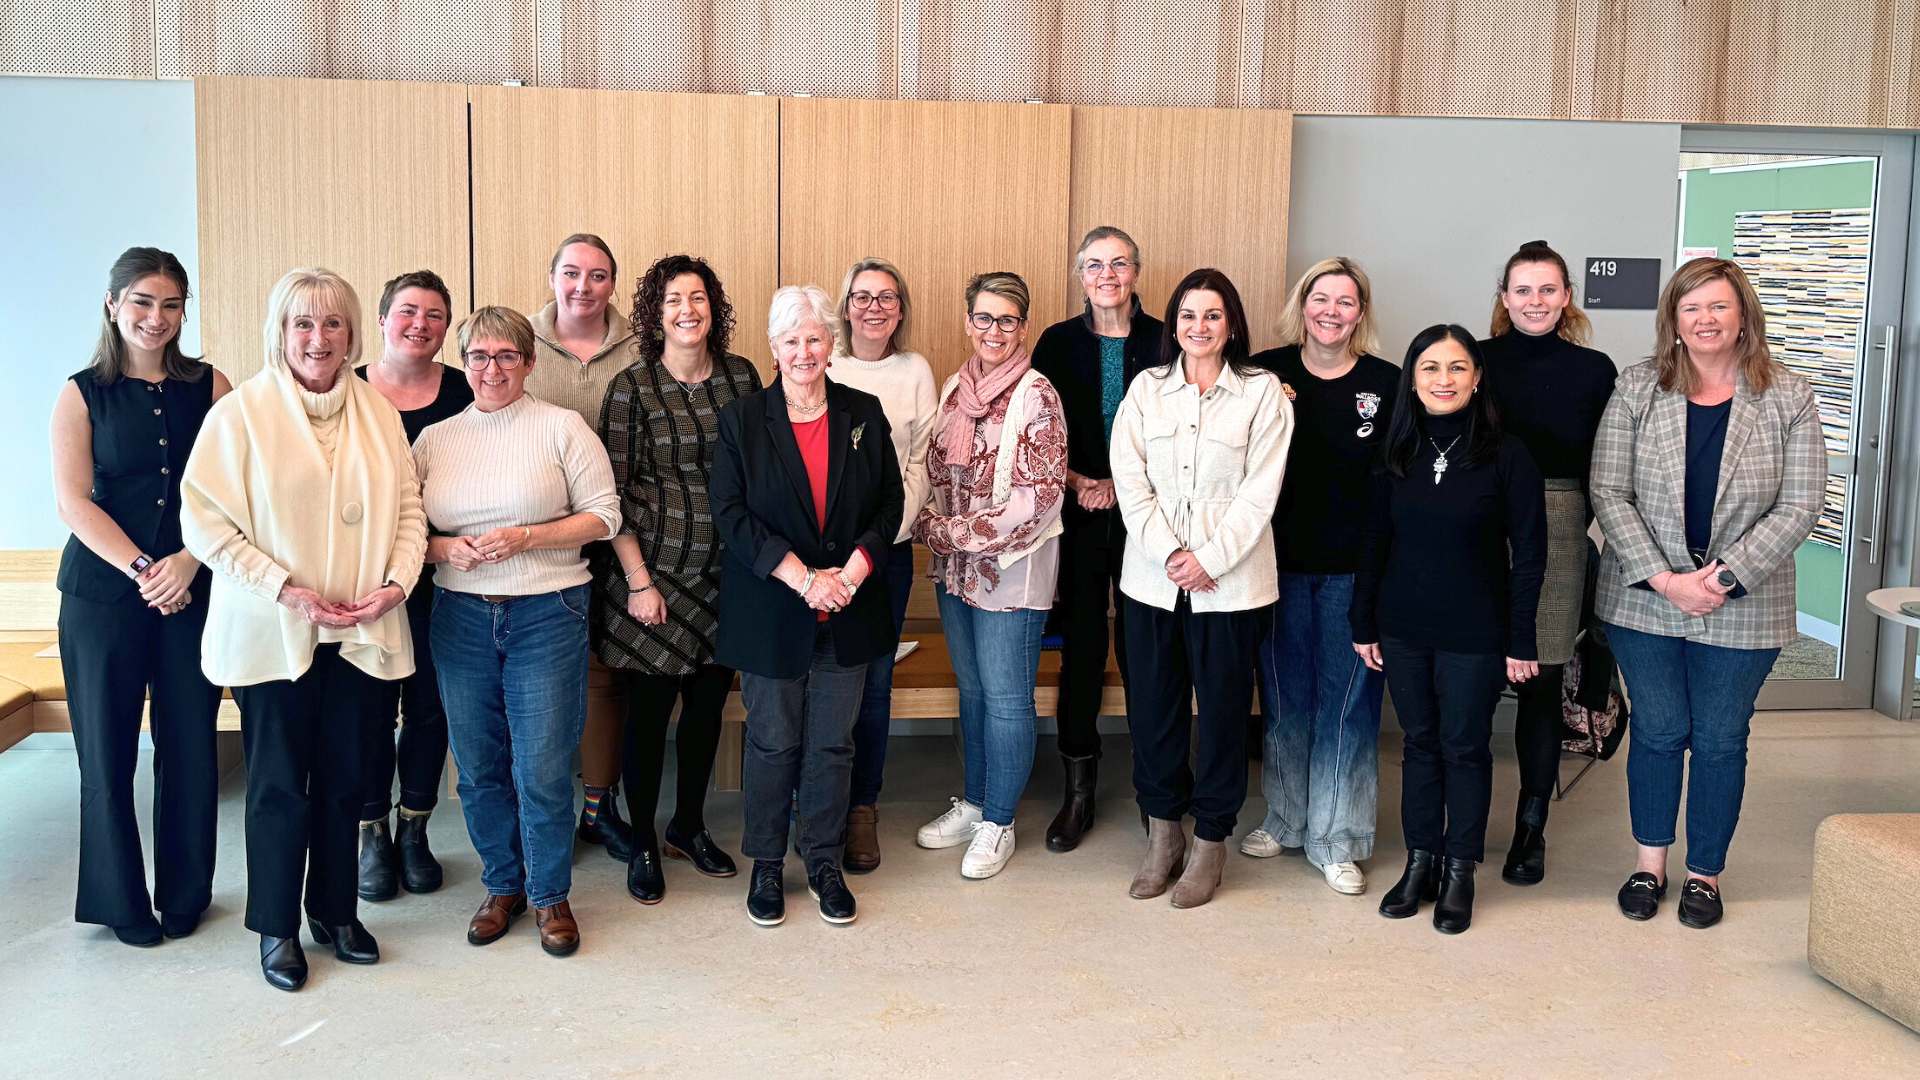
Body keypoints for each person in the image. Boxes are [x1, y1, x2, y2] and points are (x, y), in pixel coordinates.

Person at [181, 268, 426, 991]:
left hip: (359, 631)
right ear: (280, 333)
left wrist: (395, 586)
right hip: (274, 632)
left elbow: (410, 510)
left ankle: (336, 912)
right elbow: (204, 523)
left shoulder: (379, 413)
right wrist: (284, 588)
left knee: (349, 782)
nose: (318, 339)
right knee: (279, 786)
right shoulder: (241, 415)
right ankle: (277, 929)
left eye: (333, 325)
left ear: (354, 334)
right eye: (303, 325)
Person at [1591, 258, 1823, 930]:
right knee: (1659, 731)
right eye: (1691, 309)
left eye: (1719, 306)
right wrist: (1666, 580)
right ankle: (1650, 863)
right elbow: (1609, 489)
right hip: (1645, 599)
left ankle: (1704, 874)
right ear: (1674, 321)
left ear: (1743, 314)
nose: (1706, 320)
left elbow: (1801, 502)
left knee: (1721, 738)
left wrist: (1718, 580)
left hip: (1745, 603)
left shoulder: (1788, 393)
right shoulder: (1640, 386)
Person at [416, 305, 621, 958]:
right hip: (461, 618)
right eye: (479, 356)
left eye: (507, 355)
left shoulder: (562, 428)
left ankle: (550, 894)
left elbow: (604, 517)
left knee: (539, 765)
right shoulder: (435, 440)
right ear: (464, 363)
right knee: (478, 767)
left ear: (530, 363)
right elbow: (404, 536)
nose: (492, 368)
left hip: (547, 613)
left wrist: (527, 537)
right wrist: (445, 551)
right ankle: (502, 885)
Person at [51, 247, 230, 947]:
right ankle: (117, 901)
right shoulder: (81, 392)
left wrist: (187, 561)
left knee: (190, 743)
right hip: (102, 596)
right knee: (106, 750)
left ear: (185, 311)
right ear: (112, 303)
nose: (156, 318)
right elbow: (73, 503)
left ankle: (187, 893)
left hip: (193, 587)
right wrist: (143, 569)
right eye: (142, 302)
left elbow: (238, 493)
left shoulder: (212, 386)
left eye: (170, 304)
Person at [710, 285, 903, 927]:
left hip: (848, 603)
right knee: (771, 742)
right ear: (772, 350)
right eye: (791, 341)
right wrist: (803, 580)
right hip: (775, 609)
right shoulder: (741, 422)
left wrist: (848, 574)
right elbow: (731, 517)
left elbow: (888, 505)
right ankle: (767, 863)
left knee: (831, 745)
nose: (804, 351)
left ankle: (822, 861)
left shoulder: (863, 413)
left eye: (814, 338)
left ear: (831, 344)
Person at [1352, 325, 1546, 935]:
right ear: (1413, 377)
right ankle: (1420, 864)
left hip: (1475, 632)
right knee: (1418, 745)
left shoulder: (1508, 454)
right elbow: (1375, 540)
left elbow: (1531, 554)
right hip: (1403, 626)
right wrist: (1364, 621)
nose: (1444, 379)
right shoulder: (1395, 448)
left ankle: (1460, 869)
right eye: (1430, 367)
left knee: (1464, 749)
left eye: (1457, 367)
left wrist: (1521, 639)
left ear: (1477, 376)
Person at [1110, 268, 1292, 909]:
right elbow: (1130, 482)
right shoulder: (1146, 390)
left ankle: (1211, 839)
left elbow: (1260, 490)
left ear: (1232, 324)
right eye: (1188, 315)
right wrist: (1171, 554)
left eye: (1213, 315)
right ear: (1173, 324)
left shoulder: (1262, 393)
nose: (1199, 326)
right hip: (1151, 583)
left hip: (1231, 584)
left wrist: (1208, 557)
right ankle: (1164, 835)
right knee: (1154, 712)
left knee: (1219, 714)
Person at [597, 255, 761, 905]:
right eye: (672, 301)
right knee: (647, 716)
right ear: (654, 314)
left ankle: (687, 827)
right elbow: (609, 493)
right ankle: (639, 840)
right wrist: (639, 581)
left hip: (729, 578)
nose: (687, 310)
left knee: (705, 712)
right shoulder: (632, 387)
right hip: (652, 580)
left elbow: (760, 473)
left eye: (697, 298)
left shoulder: (743, 378)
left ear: (713, 308)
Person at [1245, 257, 1396, 895]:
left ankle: (1339, 837)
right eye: (1320, 298)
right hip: (1273, 566)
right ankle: (1286, 817)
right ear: (1302, 305)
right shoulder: (1262, 372)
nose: (1331, 311)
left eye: (1345, 302)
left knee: (1349, 705)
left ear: (1361, 314)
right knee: (1283, 701)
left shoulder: (1388, 384)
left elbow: (1399, 487)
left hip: (1355, 574)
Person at [911, 271, 1067, 880]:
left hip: (1010, 572)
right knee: (972, 693)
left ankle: (999, 821)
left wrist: (950, 533)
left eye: (1006, 320)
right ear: (967, 322)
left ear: (1022, 327)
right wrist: (934, 528)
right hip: (956, 575)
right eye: (983, 318)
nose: (994, 330)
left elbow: (1041, 498)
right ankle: (975, 802)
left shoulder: (1038, 394)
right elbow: (934, 470)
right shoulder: (955, 387)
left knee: (1006, 700)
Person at [1480, 240, 1618, 886]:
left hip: (1562, 525)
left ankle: (1530, 831)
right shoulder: (1474, 361)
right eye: (1523, 290)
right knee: (1472, 680)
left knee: (1539, 686)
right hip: (1478, 523)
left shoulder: (1595, 370)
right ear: (1504, 299)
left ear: (1566, 297)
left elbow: (1608, 466)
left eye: (1547, 289)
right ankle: (1461, 824)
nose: (1535, 301)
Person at [1030, 226, 1163, 853]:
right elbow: (1038, 433)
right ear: (1080, 274)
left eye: (1118, 263)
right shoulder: (1056, 343)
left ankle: (1154, 792)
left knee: (1147, 650)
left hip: (1151, 518)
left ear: (1136, 271)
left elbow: (1181, 429)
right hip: (1077, 511)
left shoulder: (1168, 337)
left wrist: (1126, 487)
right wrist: (1082, 480)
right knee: (1082, 648)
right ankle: (1078, 790)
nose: (1106, 275)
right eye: (1094, 264)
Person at [353, 269, 472, 902]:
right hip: (366, 580)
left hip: (443, 578)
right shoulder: (348, 391)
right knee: (370, 710)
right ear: (381, 320)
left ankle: (414, 828)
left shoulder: (463, 391)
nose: (419, 324)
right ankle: (370, 832)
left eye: (433, 315)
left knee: (429, 707)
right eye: (407, 311)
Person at [525, 232, 640, 861]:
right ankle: (537, 809)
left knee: (606, 671)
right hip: (539, 534)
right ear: (552, 277)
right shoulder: (521, 341)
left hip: (618, 531)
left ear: (612, 285)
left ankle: (599, 805)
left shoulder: (639, 346)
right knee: (538, 675)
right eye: (571, 273)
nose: (583, 286)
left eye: (598, 276)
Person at [827, 257, 937, 873]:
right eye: (862, 297)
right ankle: (818, 804)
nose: (874, 307)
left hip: (887, 554)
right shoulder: (823, 361)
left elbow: (922, 462)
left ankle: (861, 810)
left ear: (901, 308)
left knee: (873, 685)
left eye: (887, 298)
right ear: (845, 307)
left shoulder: (915, 370)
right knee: (818, 681)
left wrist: (881, 539)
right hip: (820, 560)